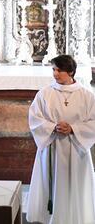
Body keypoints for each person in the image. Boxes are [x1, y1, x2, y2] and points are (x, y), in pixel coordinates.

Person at [26, 54, 95, 224]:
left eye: (59, 70)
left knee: (75, 186)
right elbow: (35, 118)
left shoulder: (87, 96)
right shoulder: (45, 94)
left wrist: (73, 128)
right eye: (53, 69)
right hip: (52, 146)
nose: (55, 74)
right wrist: (52, 127)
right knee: (52, 185)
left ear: (70, 72)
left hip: (76, 148)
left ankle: (76, 218)